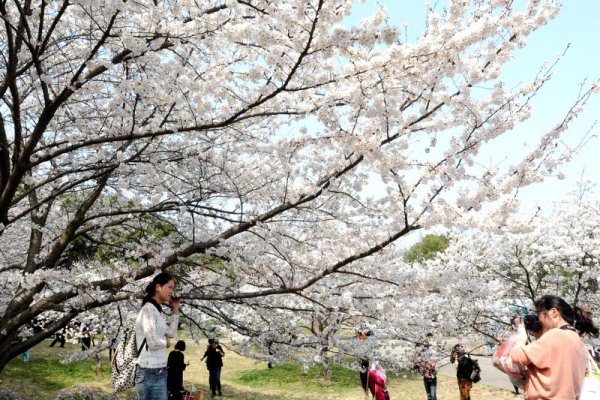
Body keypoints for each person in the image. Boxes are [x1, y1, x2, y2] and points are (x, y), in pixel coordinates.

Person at [510, 295, 599, 400]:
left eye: (539, 314)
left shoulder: (555, 335)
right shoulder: (577, 340)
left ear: (553, 312)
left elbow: (517, 356)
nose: (539, 319)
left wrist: (521, 335)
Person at [135, 272, 180, 400]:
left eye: (173, 288)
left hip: (160, 370)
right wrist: (166, 343)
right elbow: (153, 342)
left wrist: (175, 309)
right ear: (158, 287)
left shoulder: (157, 310)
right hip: (148, 371)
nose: (172, 291)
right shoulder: (148, 309)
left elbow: (170, 333)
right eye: (170, 287)